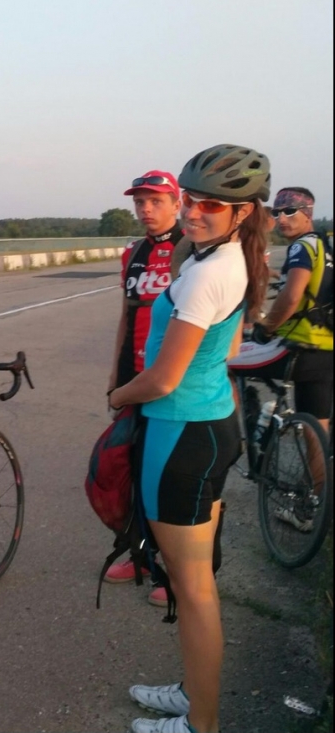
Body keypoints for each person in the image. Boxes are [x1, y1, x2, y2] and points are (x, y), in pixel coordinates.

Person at [108, 144, 271, 733]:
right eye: (191, 200)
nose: (194, 212)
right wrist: (190, 241)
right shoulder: (227, 259)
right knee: (189, 579)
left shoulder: (207, 274)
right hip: (207, 425)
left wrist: (118, 397)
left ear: (243, 212)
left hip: (181, 434)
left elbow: (162, 378)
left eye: (211, 205)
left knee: (193, 587)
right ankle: (193, 693)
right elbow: (222, 351)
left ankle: (202, 723)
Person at [228, 187, 331, 532]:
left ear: (308, 213)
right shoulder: (326, 246)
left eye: (290, 212)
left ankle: (230, 438)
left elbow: (291, 297)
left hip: (297, 347)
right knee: (317, 431)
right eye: (277, 212)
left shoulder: (301, 248)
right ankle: (309, 509)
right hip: (327, 350)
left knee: (228, 361)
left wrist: (266, 328)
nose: (282, 219)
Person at [104, 170, 184, 605]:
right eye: (140, 202)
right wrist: (115, 375)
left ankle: (181, 575)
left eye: (155, 201)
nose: (146, 209)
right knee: (133, 471)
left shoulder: (191, 249)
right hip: (134, 378)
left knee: (171, 480)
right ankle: (143, 557)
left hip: (173, 380)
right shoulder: (133, 253)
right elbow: (126, 314)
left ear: (177, 204)